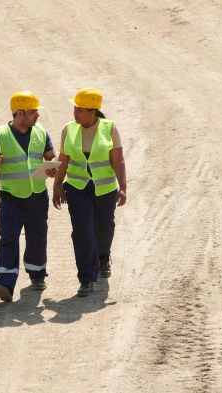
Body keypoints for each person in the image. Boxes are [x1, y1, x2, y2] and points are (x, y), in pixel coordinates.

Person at [0, 91, 58, 302]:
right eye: (34, 112)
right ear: (20, 113)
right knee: (8, 240)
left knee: (37, 237)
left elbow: (51, 156)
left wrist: (53, 168)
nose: (37, 116)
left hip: (37, 197)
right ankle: (5, 284)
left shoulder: (41, 133)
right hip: (11, 199)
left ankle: (37, 275)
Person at [52, 87, 127, 297]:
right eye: (74, 108)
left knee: (104, 228)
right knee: (82, 231)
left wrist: (123, 187)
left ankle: (103, 257)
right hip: (77, 189)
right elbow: (64, 160)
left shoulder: (109, 128)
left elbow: (118, 160)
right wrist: (57, 186)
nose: (75, 113)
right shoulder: (69, 129)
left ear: (92, 112)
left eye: (79, 110)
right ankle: (86, 278)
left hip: (105, 189)